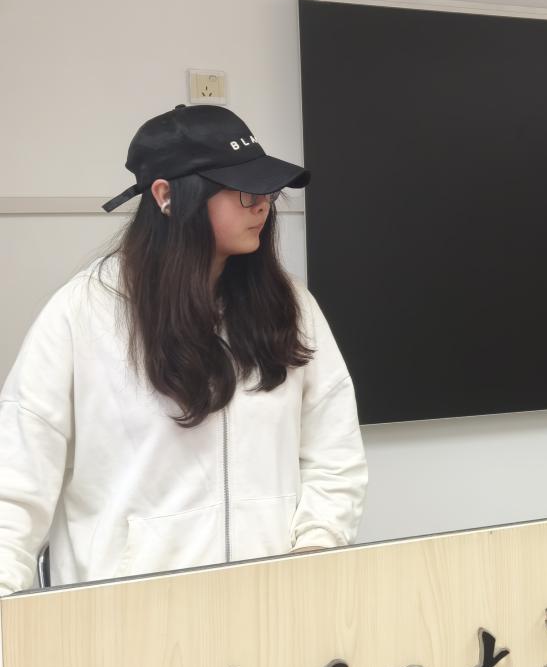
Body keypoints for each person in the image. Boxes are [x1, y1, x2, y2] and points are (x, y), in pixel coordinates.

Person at [0, 104, 367, 596]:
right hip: (127, 619)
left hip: (272, 608)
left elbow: (333, 455)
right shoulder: (82, 313)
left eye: (266, 190)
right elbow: (15, 488)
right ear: (166, 195)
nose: (262, 205)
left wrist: (315, 552)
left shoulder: (289, 305)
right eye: (243, 191)